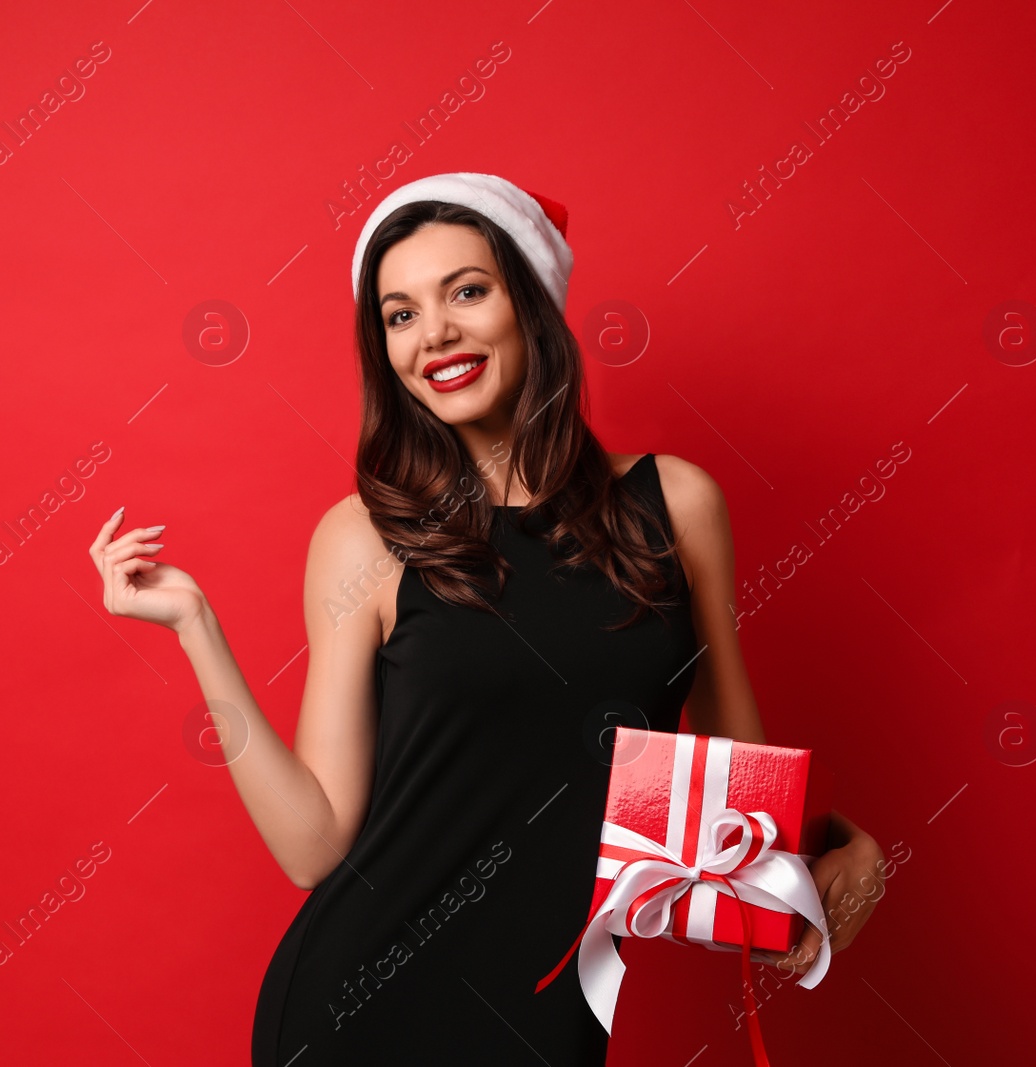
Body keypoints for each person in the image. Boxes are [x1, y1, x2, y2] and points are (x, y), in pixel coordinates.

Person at [88, 172, 885, 1065]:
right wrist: (197, 626)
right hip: (358, 1017)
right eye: (399, 315)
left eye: (467, 290)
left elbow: (733, 790)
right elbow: (315, 847)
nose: (434, 334)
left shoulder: (677, 504)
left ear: (533, 304)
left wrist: (844, 849)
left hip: (548, 1025)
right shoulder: (365, 540)